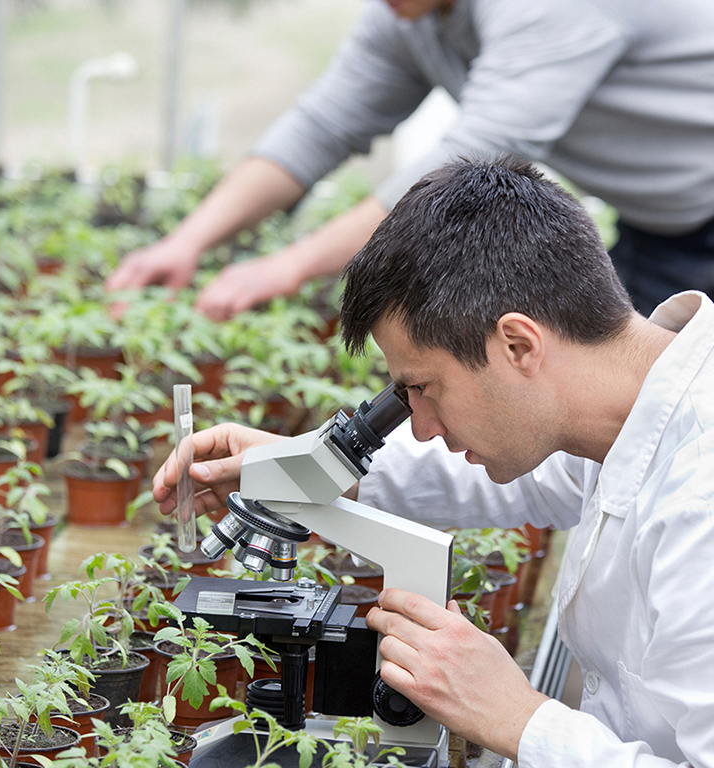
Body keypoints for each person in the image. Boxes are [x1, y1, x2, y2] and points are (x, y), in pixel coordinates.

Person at [154, 156, 714, 767]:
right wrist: (303, 465)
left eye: (422, 387)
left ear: (518, 344)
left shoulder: (700, 503)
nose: (419, 426)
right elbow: (533, 480)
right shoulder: (621, 411)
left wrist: (515, 717)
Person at [107, 0, 714, 320]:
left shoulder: (549, 7)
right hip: (663, 226)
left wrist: (288, 266)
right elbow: (323, 124)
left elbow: (469, 161)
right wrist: (186, 242)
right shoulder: (411, 13)